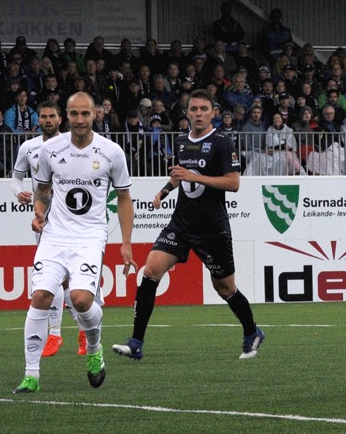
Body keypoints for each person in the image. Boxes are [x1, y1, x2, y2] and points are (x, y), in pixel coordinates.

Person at [112, 90, 265, 361]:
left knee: (225, 288)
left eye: (203, 109)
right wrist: (165, 190)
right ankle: (136, 343)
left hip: (212, 228)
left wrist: (196, 176)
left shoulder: (222, 143)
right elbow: (180, 175)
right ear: (187, 112)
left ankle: (252, 332)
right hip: (181, 223)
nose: (197, 114)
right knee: (150, 271)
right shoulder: (182, 141)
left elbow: (233, 183)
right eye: (193, 109)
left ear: (212, 113)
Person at [13, 92, 134, 394]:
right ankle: (31, 375)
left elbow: (124, 198)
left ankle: (94, 349)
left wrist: (127, 243)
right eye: (74, 114)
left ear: (95, 115)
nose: (79, 120)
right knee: (40, 296)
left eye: (85, 114)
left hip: (90, 235)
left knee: (80, 300)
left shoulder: (111, 152)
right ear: (66, 116)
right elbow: (42, 190)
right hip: (54, 235)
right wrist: (39, 213)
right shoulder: (49, 149)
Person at [10, 100, 82, 358]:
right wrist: (19, 193)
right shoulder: (29, 147)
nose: (48, 120)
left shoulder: (73, 144)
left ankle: (79, 330)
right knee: (54, 277)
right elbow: (16, 177)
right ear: (37, 120)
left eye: (52, 116)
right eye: (43, 116)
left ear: (60, 119)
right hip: (43, 219)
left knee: (75, 277)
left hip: (71, 220)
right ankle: (57, 334)